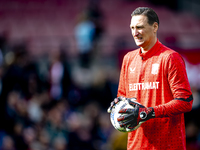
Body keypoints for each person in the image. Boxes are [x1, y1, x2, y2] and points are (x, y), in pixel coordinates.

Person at [107, 7, 193, 150]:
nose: (135, 33)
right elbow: (123, 97)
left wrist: (149, 113)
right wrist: (118, 106)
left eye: (139, 27)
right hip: (136, 145)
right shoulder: (128, 59)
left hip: (167, 145)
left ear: (155, 27)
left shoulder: (170, 58)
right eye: (132, 28)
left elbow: (185, 101)